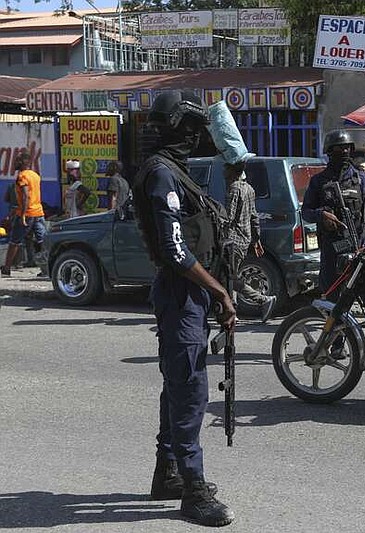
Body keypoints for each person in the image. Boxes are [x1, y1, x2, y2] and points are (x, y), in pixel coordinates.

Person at [131, 90, 235, 527]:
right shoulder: (160, 175)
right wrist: (220, 293)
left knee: (176, 385)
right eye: (190, 130)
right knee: (190, 390)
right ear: (176, 129)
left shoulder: (172, 171)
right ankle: (193, 491)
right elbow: (175, 250)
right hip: (181, 294)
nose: (195, 140)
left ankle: (167, 473)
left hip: (186, 294)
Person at [301, 129, 365, 356]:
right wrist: (322, 215)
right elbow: (306, 212)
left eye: (348, 148)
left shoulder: (362, 181)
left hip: (360, 250)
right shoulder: (318, 182)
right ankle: (339, 344)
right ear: (329, 152)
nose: (345, 152)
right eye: (340, 148)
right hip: (332, 254)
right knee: (334, 302)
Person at [222, 161, 276, 322]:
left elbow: (228, 218)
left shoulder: (234, 189)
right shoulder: (250, 189)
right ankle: (232, 308)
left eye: (226, 169)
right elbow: (254, 217)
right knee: (231, 275)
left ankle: (262, 299)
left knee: (229, 277)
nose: (223, 173)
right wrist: (256, 239)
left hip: (233, 240)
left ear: (232, 171)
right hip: (244, 240)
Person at [1, 151, 46, 277]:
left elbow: (26, 195)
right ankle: (46, 269)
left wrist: (24, 215)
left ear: (21, 163)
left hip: (28, 213)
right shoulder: (35, 175)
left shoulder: (22, 176)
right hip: (39, 212)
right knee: (42, 241)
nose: (14, 163)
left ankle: (7, 268)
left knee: (14, 241)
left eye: (16, 161)